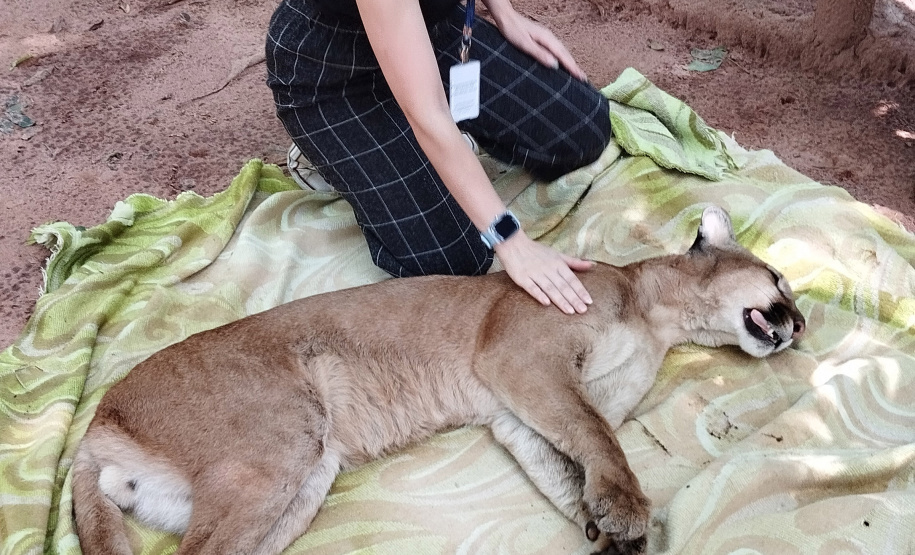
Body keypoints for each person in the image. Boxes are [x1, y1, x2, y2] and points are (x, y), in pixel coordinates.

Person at [265, 0, 612, 314]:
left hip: (428, 33)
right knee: (454, 257)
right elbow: (428, 115)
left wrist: (505, 13)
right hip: (335, 74)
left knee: (582, 130)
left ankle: (414, 142)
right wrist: (513, 241)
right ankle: (339, 154)